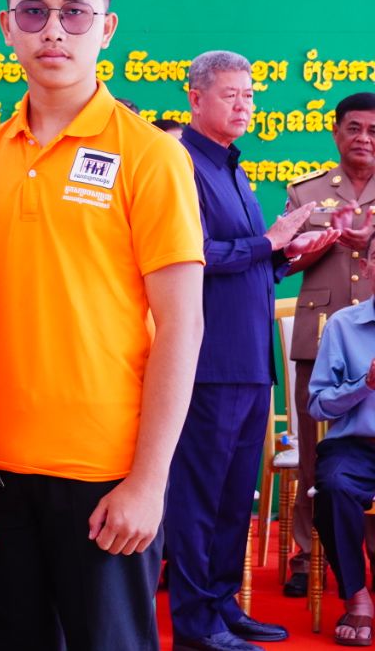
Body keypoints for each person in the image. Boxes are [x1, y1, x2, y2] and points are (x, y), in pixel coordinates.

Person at [0, 0, 205, 651]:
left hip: (106, 474)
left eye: (74, 12)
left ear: (107, 28)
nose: (53, 31)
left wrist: (148, 481)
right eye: (33, 11)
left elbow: (182, 326)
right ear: (7, 27)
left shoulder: (151, 156)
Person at [166, 50, 325, 651]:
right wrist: (268, 241)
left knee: (237, 498)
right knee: (200, 498)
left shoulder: (234, 168)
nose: (244, 105)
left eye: (250, 94)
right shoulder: (181, 165)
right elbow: (192, 255)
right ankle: (194, 624)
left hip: (252, 363)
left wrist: (289, 253)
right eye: (230, 94)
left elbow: (252, 262)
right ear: (195, 99)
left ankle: (223, 606)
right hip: (208, 363)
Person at [282, 92, 375, 597]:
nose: (364, 138)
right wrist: (327, 240)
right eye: (354, 128)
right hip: (322, 335)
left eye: (374, 131)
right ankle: (306, 551)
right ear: (336, 132)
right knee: (314, 452)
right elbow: (283, 260)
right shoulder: (309, 192)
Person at [308, 236, 375, 646]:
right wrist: (364, 383)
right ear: (366, 268)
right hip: (356, 445)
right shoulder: (342, 326)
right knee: (334, 487)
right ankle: (356, 596)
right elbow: (318, 405)